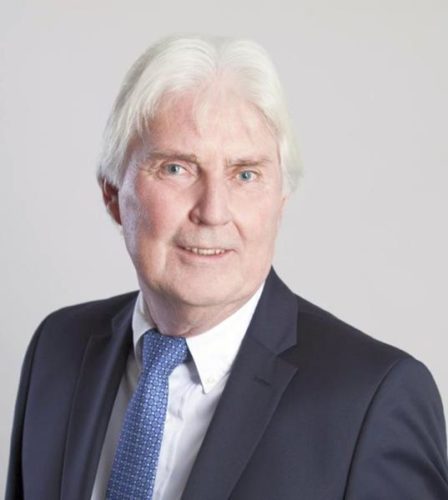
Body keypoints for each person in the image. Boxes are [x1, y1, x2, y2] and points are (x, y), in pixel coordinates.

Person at [6, 35, 448, 500]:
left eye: (245, 174)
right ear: (112, 194)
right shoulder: (58, 348)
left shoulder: (373, 401)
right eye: (177, 168)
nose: (213, 212)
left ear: (280, 202)